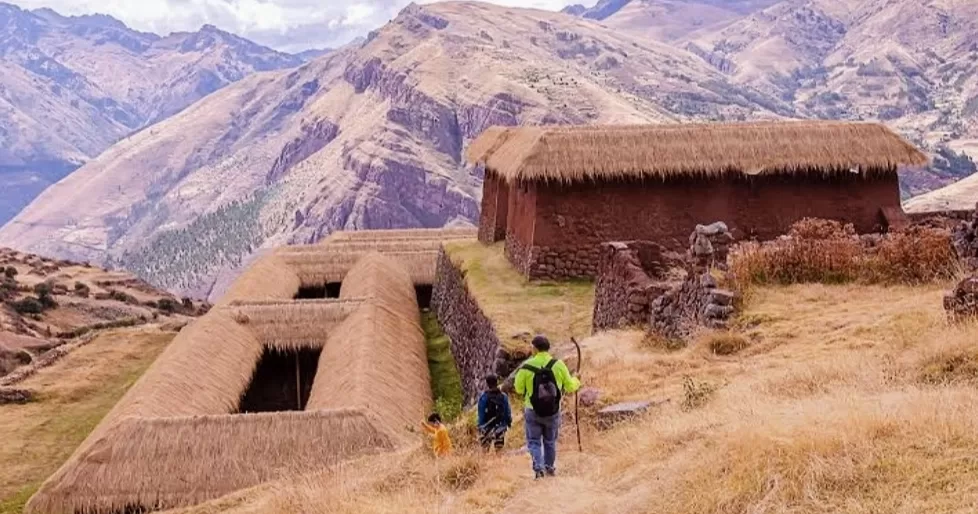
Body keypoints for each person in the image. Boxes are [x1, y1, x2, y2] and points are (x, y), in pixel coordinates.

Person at [514, 335, 581, 479]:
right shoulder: (558, 364)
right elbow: (570, 386)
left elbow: (518, 389)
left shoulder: (526, 367)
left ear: (535, 348)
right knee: (550, 441)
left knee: (534, 441)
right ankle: (549, 467)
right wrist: (577, 380)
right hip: (553, 410)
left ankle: (538, 468)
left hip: (532, 409)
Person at [477, 374, 512, 451]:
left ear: (487, 383)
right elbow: (507, 411)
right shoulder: (503, 396)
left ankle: (486, 462)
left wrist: (480, 425)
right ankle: (499, 461)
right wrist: (508, 422)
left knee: (485, 449)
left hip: (486, 426)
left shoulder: (484, 397)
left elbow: (481, 413)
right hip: (500, 426)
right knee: (499, 449)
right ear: (497, 382)